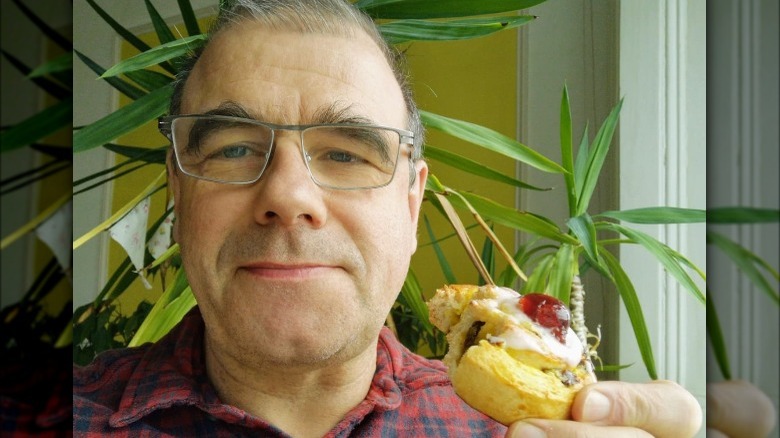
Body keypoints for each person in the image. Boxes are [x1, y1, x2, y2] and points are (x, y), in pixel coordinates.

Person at [73, 0, 703, 436]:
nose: (289, 195)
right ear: (178, 194)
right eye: (234, 148)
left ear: (411, 202)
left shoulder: (521, 432)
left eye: (346, 153)